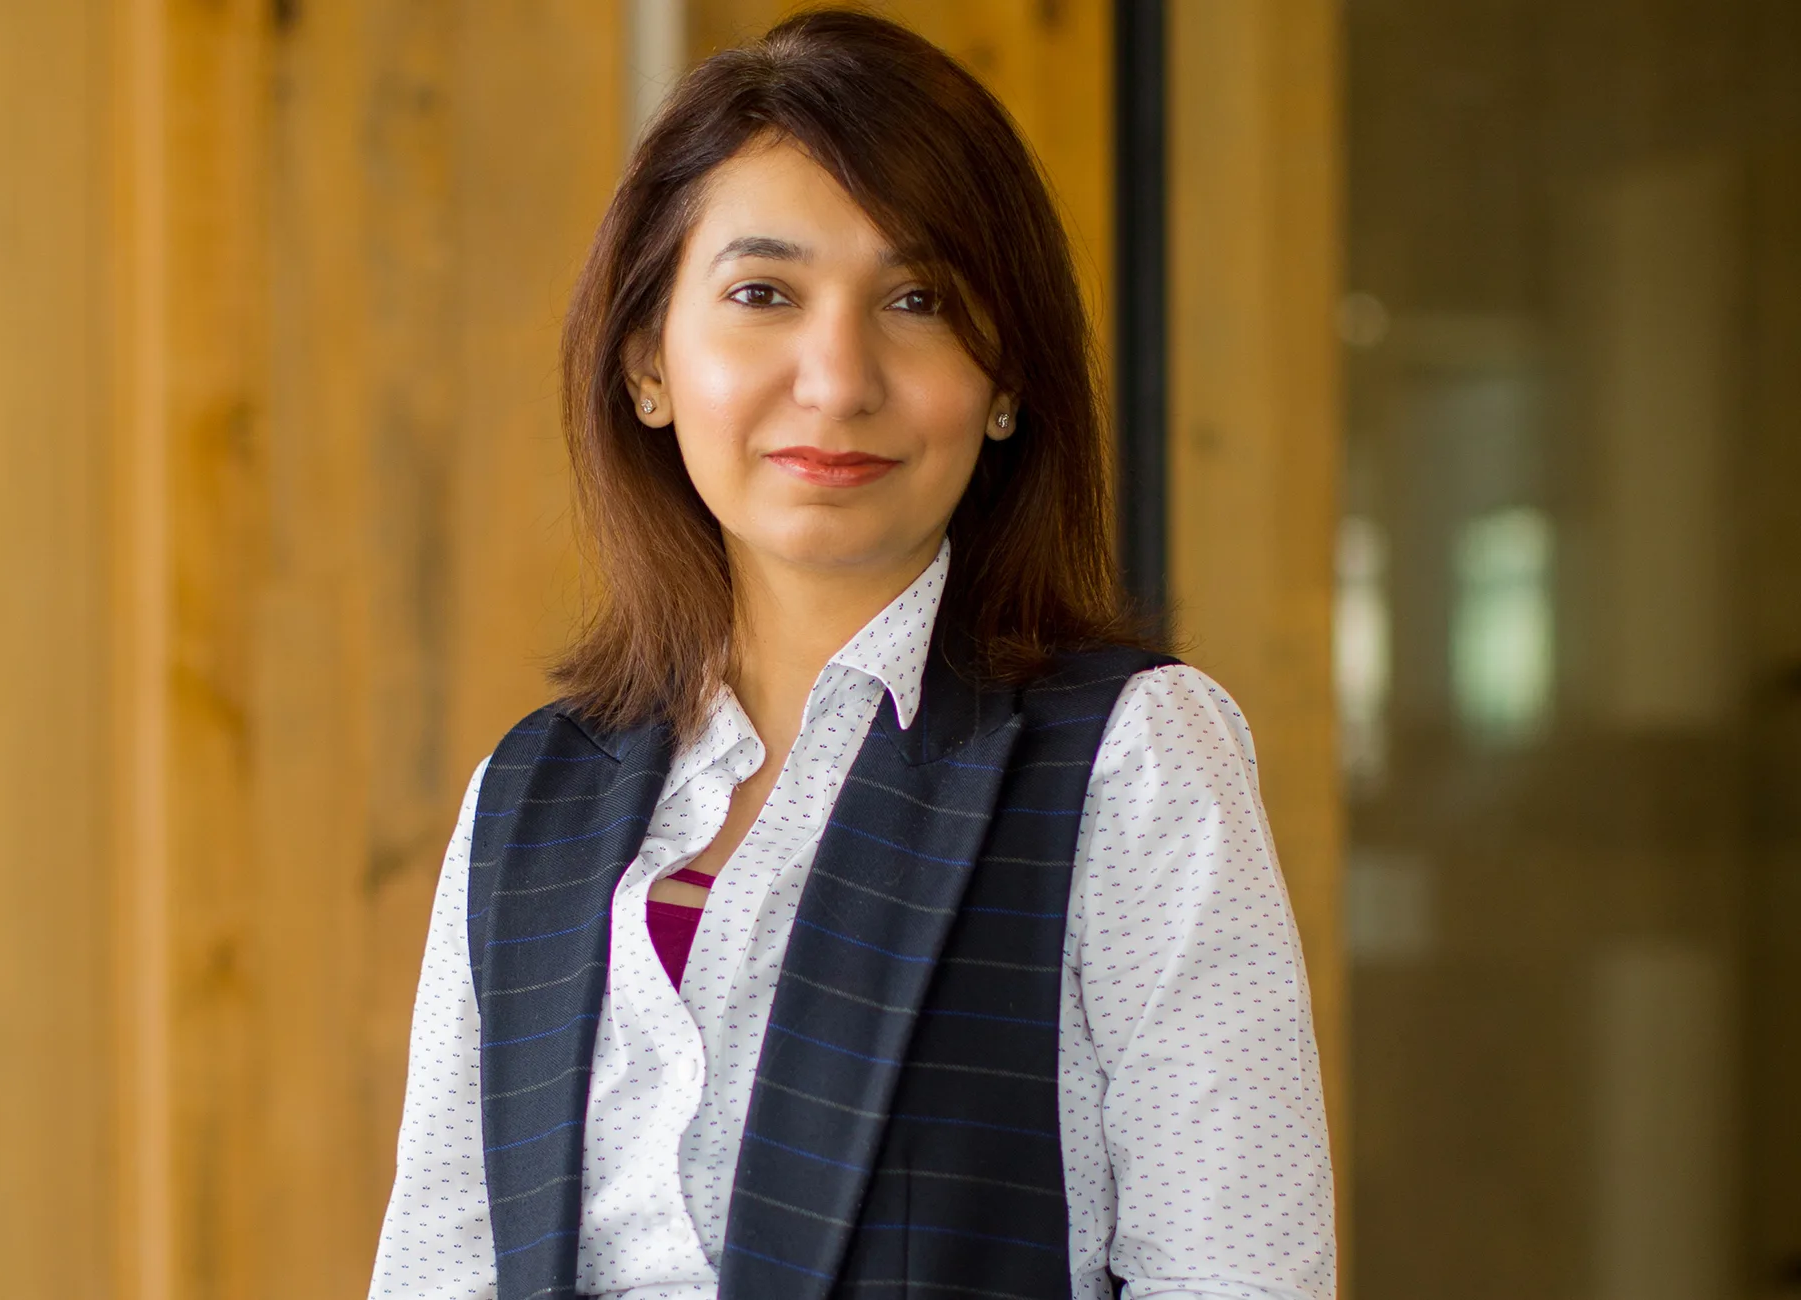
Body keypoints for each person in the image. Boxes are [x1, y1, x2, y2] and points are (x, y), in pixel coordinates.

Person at [368, 10, 1333, 1300]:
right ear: (650, 359)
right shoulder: (530, 796)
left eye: (917, 300)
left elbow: (1239, 1277)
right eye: (763, 294)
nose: (836, 378)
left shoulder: (1130, 760)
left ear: (1005, 383)